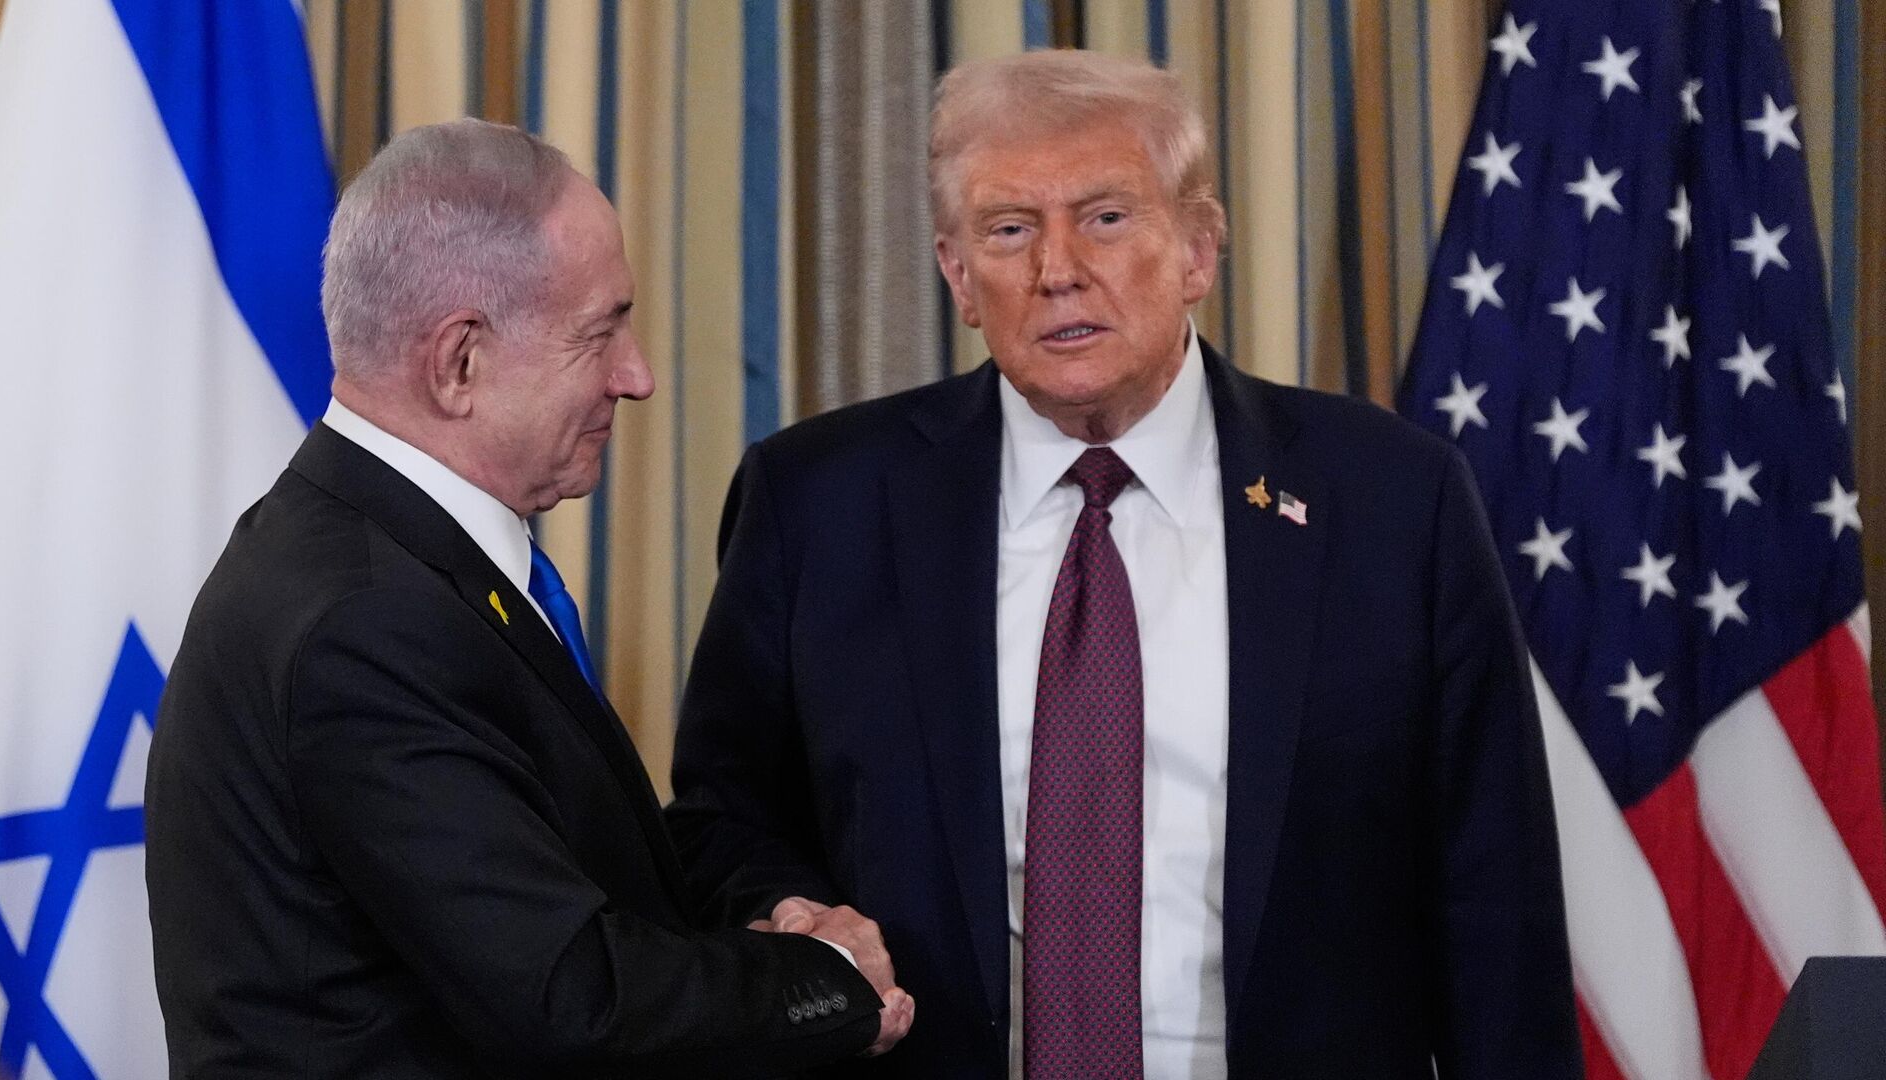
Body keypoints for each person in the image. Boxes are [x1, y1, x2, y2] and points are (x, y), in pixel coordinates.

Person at [668, 50, 1581, 1079]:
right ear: (959, 276)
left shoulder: (1391, 500)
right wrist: (795, 915)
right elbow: (720, 821)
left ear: (1198, 249)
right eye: (1009, 230)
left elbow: (1496, 898)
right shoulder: (819, 503)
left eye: (1105, 217)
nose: (1058, 269)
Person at [145, 119, 912, 1078]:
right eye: (601, 332)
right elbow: (570, 999)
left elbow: (560, 885)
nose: (637, 377)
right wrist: (827, 980)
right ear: (459, 362)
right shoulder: (365, 621)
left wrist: (753, 926)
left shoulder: (379, 557)